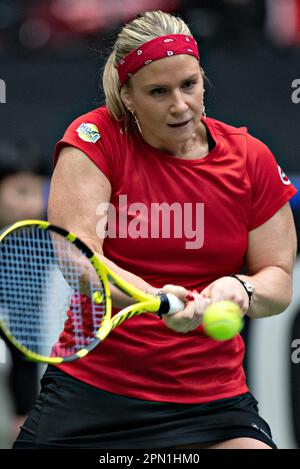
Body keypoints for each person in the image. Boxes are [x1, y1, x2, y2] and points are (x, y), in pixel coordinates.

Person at [13, 10, 297, 449]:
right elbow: (78, 260)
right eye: (158, 92)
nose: (180, 105)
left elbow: (277, 278)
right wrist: (160, 299)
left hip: (213, 402)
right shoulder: (94, 139)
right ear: (127, 95)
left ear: (202, 77)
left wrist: (242, 289)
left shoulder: (250, 158)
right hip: (92, 392)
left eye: (189, 85)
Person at [0, 138, 50, 443]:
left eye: (39, 191)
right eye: (21, 191)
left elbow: (22, 336)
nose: (33, 202)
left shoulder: (33, 250)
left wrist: (23, 409)